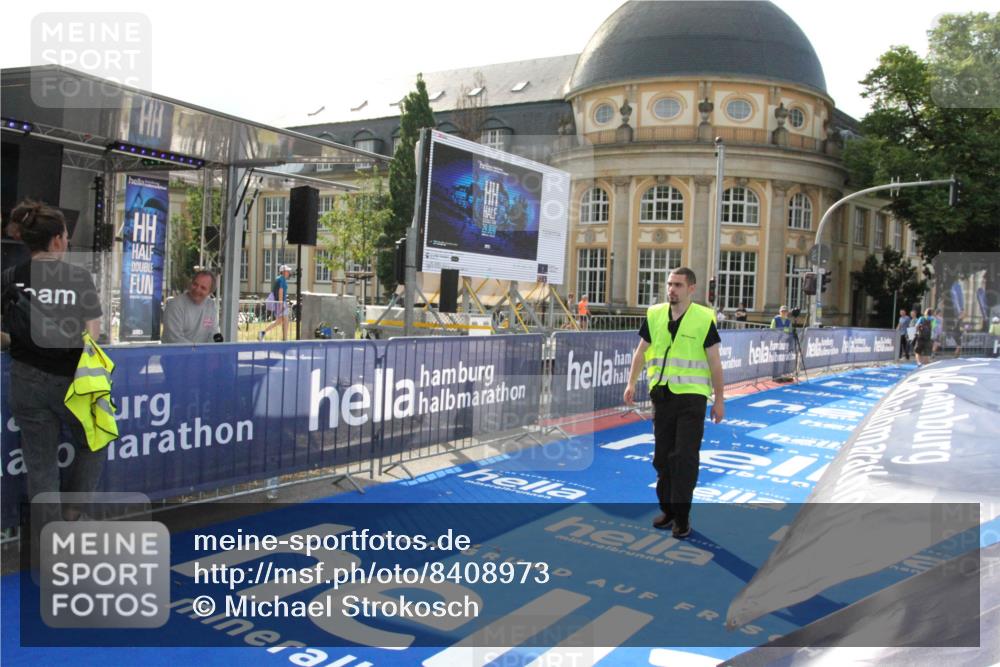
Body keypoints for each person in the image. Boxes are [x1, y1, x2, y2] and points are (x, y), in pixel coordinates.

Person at [0, 200, 104, 523]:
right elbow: (93, 335)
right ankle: (73, 513)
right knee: (95, 441)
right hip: (72, 379)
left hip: (25, 380)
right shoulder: (79, 277)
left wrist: (20, 339)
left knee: (41, 467)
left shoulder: (9, 277)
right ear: (58, 239)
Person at [623, 267, 725, 539]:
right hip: (662, 396)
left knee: (684, 458)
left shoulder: (704, 319)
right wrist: (631, 382)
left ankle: (682, 517)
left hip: (692, 398)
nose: (672, 289)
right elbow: (641, 351)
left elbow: (715, 362)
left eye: (678, 285)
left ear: (691, 288)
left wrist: (720, 400)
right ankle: (667, 509)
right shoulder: (655, 314)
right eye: (669, 284)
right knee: (662, 458)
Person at [161, 270, 222, 344]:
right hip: (176, 354)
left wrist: (219, 345)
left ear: (210, 292)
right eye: (195, 284)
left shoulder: (211, 305)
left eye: (203, 288)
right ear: (191, 283)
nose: (197, 289)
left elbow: (214, 333)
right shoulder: (174, 305)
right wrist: (198, 352)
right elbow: (174, 339)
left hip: (200, 353)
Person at [260, 264, 292, 341]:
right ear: (283, 272)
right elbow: (280, 291)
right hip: (280, 303)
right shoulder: (282, 279)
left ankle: (262, 333)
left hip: (279, 302)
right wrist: (281, 305)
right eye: (287, 271)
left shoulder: (279, 279)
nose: (289, 273)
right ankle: (285, 339)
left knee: (280, 321)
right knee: (285, 320)